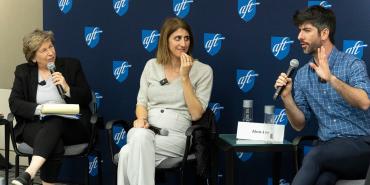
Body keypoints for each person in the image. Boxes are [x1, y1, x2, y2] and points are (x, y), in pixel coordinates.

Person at [274, 5, 370, 185]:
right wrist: (287, 97)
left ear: (324, 33)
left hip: (362, 148)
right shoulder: (302, 75)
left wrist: (331, 79)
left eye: (306, 30)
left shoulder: (352, 64)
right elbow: (299, 124)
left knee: (315, 155)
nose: (299, 37)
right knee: (323, 179)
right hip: (330, 152)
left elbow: (364, 102)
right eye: (299, 30)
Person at [117, 17, 213, 185]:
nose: (183, 44)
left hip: (176, 136)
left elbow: (197, 113)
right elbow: (141, 102)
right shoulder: (151, 65)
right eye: (177, 38)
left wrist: (185, 77)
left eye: (187, 38)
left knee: (127, 152)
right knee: (138, 140)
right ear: (165, 41)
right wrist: (141, 120)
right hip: (147, 131)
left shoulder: (203, 71)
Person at [9, 29, 91, 185]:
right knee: (54, 144)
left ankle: (29, 173)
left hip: (70, 125)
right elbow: (14, 102)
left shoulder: (71, 65)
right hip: (35, 125)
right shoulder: (23, 71)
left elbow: (86, 96)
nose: (50, 52)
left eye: (51, 47)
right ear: (33, 57)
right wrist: (41, 109)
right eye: (44, 50)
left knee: (55, 120)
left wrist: (67, 89)